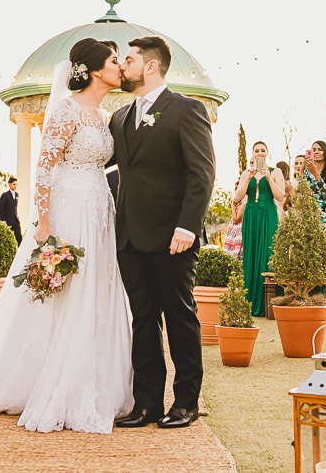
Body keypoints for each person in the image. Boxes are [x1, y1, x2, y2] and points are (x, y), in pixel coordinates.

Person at [0, 37, 133, 434]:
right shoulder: (66, 110)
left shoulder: (104, 114)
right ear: (93, 70)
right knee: (66, 288)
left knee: (97, 288)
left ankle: (94, 378)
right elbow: (45, 167)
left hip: (100, 206)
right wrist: (43, 222)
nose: (118, 67)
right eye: (112, 61)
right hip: (68, 208)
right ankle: (45, 380)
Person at [109, 35, 216, 430]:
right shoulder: (119, 117)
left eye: (129, 60)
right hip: (129, 239)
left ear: (150, 66)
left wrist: (188, 226)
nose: (123, 67)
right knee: (143, 320)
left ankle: (186, 402)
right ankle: (147, 404)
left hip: (175, 237)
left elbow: (202, 174)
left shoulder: (187, 109)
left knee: (180, 317)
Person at [231, 141, 283, 316]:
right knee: (251, 253)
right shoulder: (247, 172)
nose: (260, 153)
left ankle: (269, 302)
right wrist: (248, 176)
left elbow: (280, 196)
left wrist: (268, 177)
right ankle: (251, 299)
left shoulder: (276, 171)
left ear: (267, 153)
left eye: (263, 150)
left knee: (268, 252)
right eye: (256, 151)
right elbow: (237, 197)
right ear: (252, 154)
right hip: (251, 215)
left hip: (268, 214)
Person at [302, 140, 326, 317]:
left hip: (325, 217)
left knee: (324, 256)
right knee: (309, 255)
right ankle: (309, 298)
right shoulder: (306, 172)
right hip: (309, 215)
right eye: (314, 149)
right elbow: (303, 191)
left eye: (319, 150)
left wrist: (316, 174)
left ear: (325, 152)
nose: (316, 152)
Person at [0, 177, 22, 244]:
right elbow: (1, 209)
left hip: (15, 220)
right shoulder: (5, 195)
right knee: (8, 239)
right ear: (9, 184)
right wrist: (3, 220)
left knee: (19, 237)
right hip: (8, 221)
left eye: (16, 184)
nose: (15, 186)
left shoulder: (17, 194)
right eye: (14, 184)